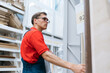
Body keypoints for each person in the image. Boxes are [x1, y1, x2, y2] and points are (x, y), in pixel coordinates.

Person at [20, 12, 86, 73]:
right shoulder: (34, 33)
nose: (46, 22)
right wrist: (72, 66)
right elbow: (46, 55)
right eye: (44, 19)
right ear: (35, 20)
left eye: (47, 20)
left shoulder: (29, 33)